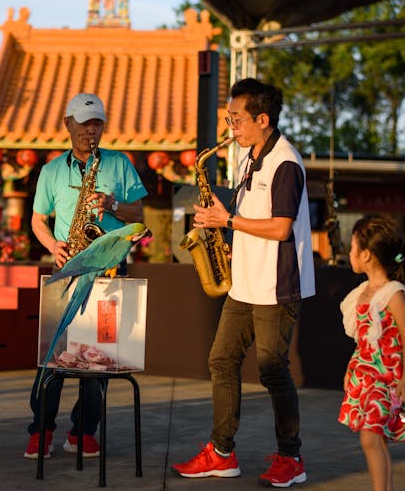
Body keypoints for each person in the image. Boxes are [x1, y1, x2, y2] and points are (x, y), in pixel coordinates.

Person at [172, 78, 315, 487]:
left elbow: (282, 228)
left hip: (276, 284)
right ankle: (221, 452)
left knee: (272, 371)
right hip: (245, 282)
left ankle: (291, 457)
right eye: (228, 118)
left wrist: (227, 221)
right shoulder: (249, 157)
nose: (229, 127)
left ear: (263, 120)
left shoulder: (285, 161)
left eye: (236, 120)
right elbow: (254, 217)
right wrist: (225, 226)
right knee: (221, 359)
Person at [25, 93, 147, 459]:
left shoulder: (119, 163)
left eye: (97, 124)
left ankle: (84, 431)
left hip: (109, 270)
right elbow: (37, 220)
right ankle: (42, 429)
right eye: (84, 123)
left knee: (100, 356)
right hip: (67, 267)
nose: (90, 131)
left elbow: (139, 211)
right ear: (68, 124)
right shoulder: (50, 171)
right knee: (53, 354)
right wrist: (53, 245)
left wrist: (111, 204)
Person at [338, 215, 405, 491]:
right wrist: (351, 370)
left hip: (387, 379)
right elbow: (363, 342)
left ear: (366, 255)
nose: (349, 253)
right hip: (365, 376)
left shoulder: (393, 293)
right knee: (378, 438)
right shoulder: (361, 293)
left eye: (352, 248)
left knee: (370, 437)